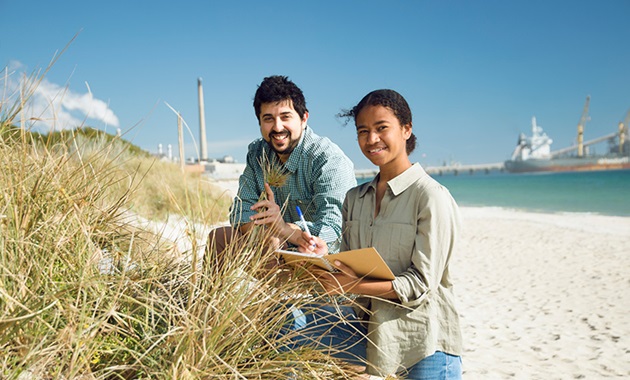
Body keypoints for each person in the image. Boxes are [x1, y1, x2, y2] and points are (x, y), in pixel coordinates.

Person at [304, 89, 463, 379]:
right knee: (289, 325)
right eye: (363, 131)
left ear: (406, 129)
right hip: (371, 335)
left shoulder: (431, 196)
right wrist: (324, 259)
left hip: (425, 345)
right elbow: (353, 266)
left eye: (381, 128)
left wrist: (350, 285)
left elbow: (419, 284)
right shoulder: (355, 198)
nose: (371, 139)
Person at [205, 75, 357, 270]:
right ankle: (214, 301)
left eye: (285, 117)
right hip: (279, 246)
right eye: (268, 119)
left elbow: (335, 229)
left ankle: (284, 300)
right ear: (259, 122)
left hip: (323, 255)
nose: (277, 127)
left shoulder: (327, 158)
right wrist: (271, 235)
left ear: (304, 119)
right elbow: (240, 212)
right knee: (219, 238)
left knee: (276, 244)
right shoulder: (258, 154)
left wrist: (289, 230)